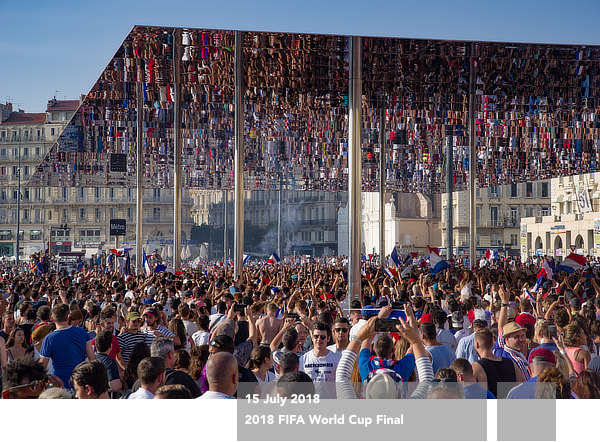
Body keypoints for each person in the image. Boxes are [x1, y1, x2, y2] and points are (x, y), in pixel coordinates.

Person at [39, 303, 95, 388]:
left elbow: (42, 366)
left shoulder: (49, 339)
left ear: (52, 318)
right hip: (79, 382)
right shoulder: (82, 332)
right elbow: (92, 359)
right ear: (67, 317)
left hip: (59, 384)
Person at [472, 329, 525, 398]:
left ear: (477, 344)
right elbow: (523, 386)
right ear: (493, 342)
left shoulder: (476, 367)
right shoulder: (510, 362)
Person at [299, 322, 341, 398]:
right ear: (312, 338)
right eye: (316, 336)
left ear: (328, 338)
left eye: (322, 337)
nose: (319, 339)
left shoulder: (336, 359)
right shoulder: (303, 359)